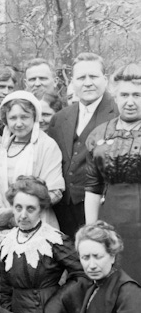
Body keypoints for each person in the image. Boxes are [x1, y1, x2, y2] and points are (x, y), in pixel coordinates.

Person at [0, 176, 84, 313]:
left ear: (42, 210)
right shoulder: (7, 242)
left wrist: (59, 300)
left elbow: (82, 272)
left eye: (30, 209)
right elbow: (5, 290)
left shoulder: (53, 240)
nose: (23, 215)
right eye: (18, 208)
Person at [48, 52, 118, 238]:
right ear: (73, 82)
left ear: (105, 79)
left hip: (104, 208)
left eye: (93, 76)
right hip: (64, 211)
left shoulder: (119, 115)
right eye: (81, 78)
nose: (87, 82)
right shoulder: (60, 118)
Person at [84, 63, 141, 280]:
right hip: (111, 219)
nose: (130, 101)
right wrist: (92, 232)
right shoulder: (99, 134)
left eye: (137, 95)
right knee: (113, 278)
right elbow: (92, 186)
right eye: (124, 94)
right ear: (115, 97)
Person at [0, 91, 64, 228]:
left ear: (34, 117)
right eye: (13, 118)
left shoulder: (46, 145)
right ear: (6, 120)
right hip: (6, 224)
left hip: (38, 222)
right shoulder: (4, 147)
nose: (18, 123)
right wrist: (1, 209)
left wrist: (15, 211)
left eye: (24, 117)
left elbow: (55, 192)